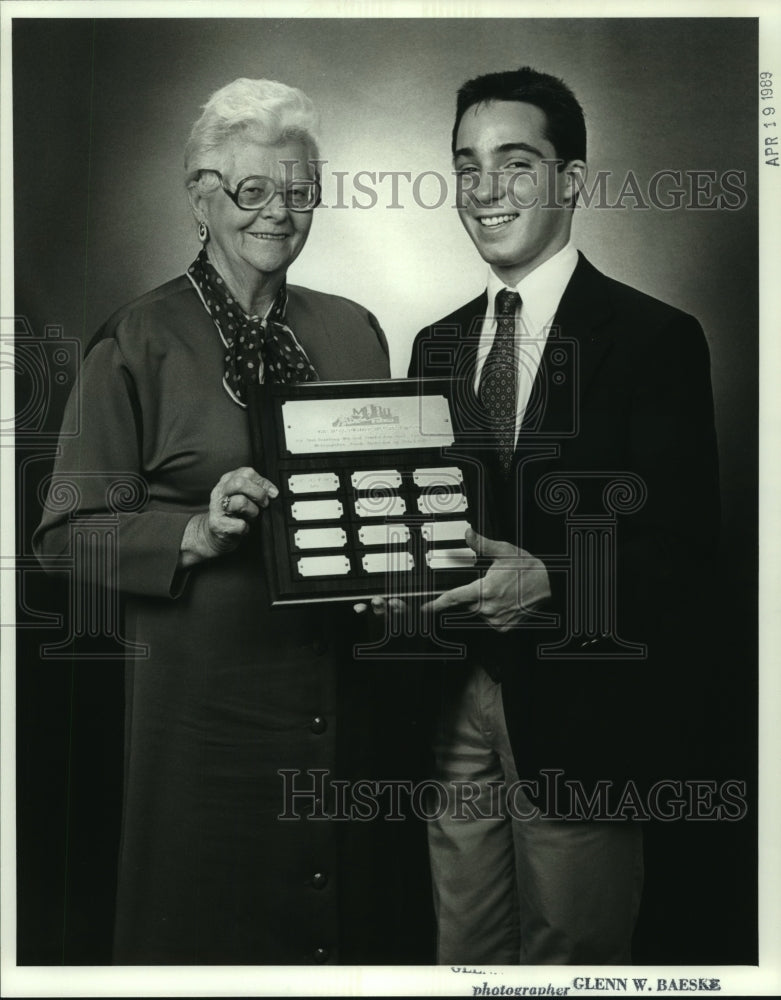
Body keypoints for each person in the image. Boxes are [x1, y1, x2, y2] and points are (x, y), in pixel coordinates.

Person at [34, 77, 430, 965]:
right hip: (200, 726)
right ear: (201, 196)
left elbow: (382, 500)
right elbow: (63, 536)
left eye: (299, 192)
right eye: (253, 191)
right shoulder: (134, 340)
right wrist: (193, 534)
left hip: (343, 705)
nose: (278, 214)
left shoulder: (355, 330)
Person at [407, 67, 720, 964]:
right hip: (449, 708)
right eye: (467, 167)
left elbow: (689, 555)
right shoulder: (433, 344)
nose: (485, 190)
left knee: (570, 961)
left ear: (571, 181)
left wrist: (553, 582)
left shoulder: (655, 340)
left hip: (586, 718)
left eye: (514, 162)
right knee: (461, 954)